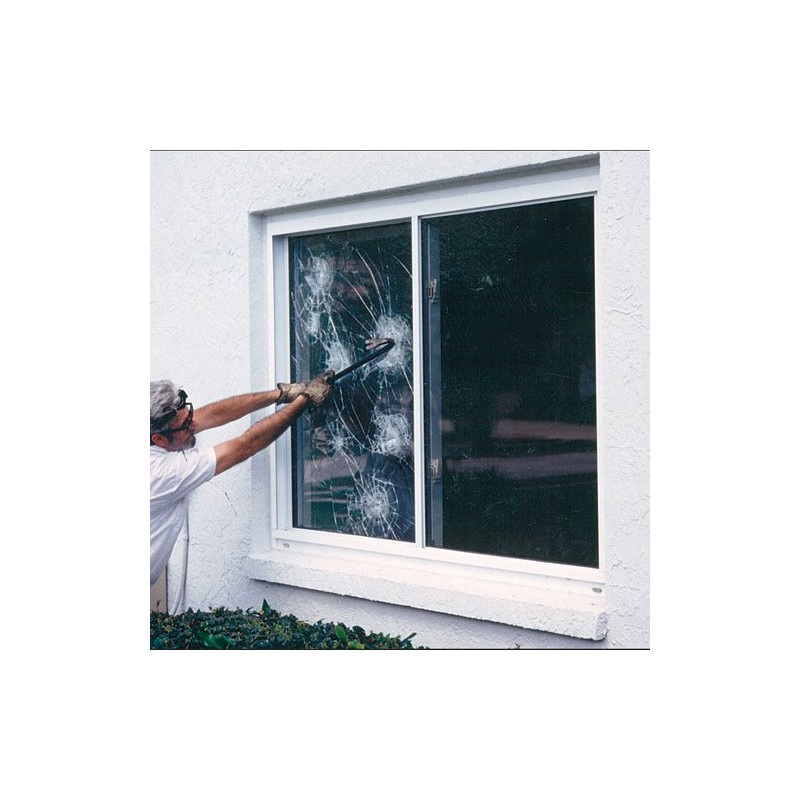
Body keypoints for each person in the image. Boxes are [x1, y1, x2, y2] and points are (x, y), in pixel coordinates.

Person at [150, 372, 334, 587]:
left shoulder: (158, 434)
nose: (194, 424)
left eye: (189, 416)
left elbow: (212, 414)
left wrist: (282, 394)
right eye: (186, 425)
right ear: (159, 439)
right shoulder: (162, 473)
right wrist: (305, 399)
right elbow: (245, 445)